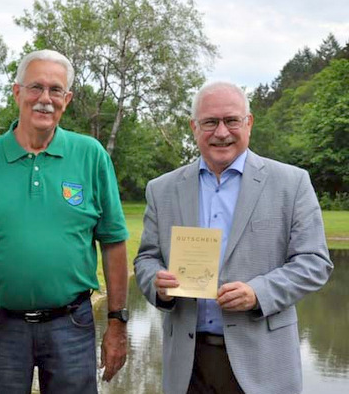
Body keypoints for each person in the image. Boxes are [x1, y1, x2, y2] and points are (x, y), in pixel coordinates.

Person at [0, 49, 129, 393]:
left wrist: (117, 323)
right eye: (35, 88)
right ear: (17, 92)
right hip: (0, 326)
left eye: (55, 90)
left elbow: (114, 241)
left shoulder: (91, 156)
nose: (45, 99)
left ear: (67, 99)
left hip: (71, 324)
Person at [134, 81, 333, 394]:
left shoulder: (291, 183)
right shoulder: (162, 189)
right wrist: (157, 285)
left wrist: (259, 293)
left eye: (231, 121)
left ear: (249, 123)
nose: (221, 132)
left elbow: (314, 262)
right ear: (194, 127)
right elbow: (147, 258)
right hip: (187, 363)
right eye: (210, 122)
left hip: (263, 361)